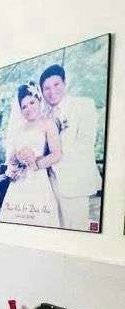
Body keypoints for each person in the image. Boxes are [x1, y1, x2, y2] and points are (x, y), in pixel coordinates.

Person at [39, 63, 101, 231]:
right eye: (46, 88)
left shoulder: (84, 105)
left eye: (56, 84)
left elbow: (85, 144)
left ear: (65, 83)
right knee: (54, 229)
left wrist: (49, 160)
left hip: (74, 180)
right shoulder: (43, 116)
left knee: (75, 231)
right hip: (48, 182)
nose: (52, 91)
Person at [0, 82, 62, 227]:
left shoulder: (48, 123)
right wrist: (15, 164)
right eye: (24, 106)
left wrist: (36, 163)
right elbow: (12, 157)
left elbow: (57, 154)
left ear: (39, 100)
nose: (29, 108)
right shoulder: (18, 129)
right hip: (19, 181)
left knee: (39, 219)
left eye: (32, 103)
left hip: (38, 178)